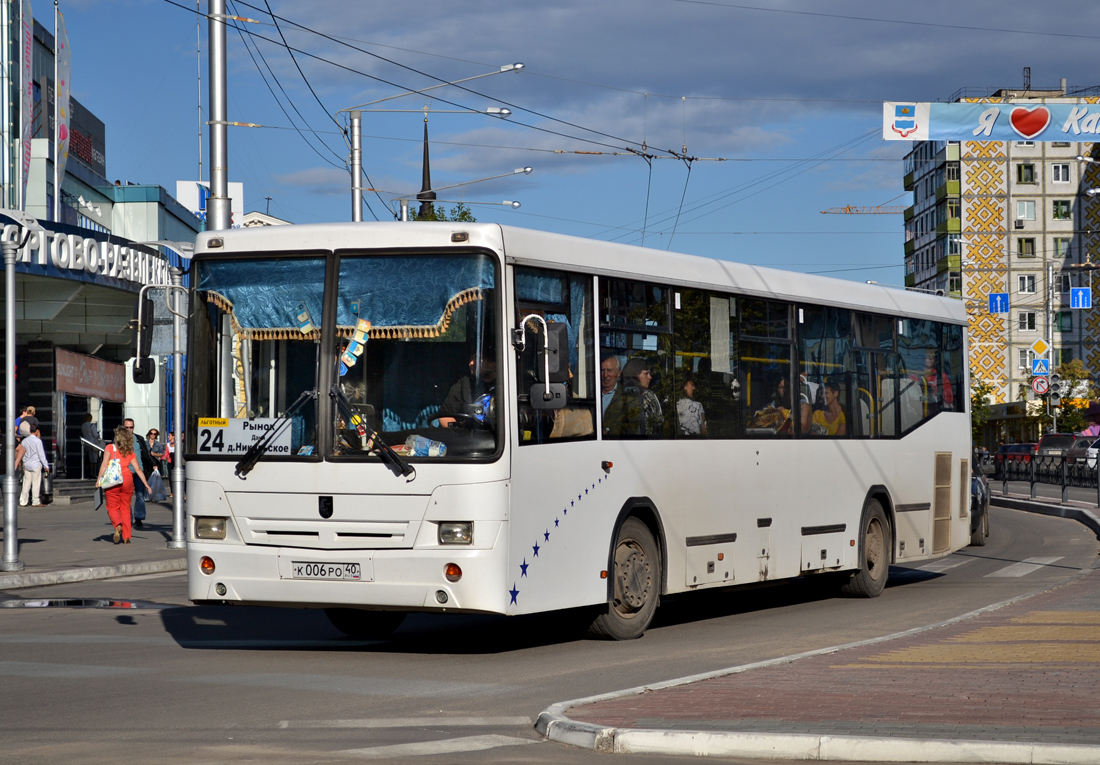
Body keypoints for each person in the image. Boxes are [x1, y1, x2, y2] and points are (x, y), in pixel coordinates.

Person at [96, 425, 152, 544]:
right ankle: (127, 536)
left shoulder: (110, 448)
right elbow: (137, 469)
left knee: (112, 507)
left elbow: (105, 464)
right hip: (127, 479)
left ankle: (118, 524)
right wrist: (146, 484)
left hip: (113, 480)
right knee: (126, 508)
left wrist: (99, 479)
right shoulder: (130, 451)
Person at [440, 356, 496, 426]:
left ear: (494, 364)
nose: (471, 363)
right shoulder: (464, 383)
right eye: (471, 358)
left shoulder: (509, 384)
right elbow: (444, 415)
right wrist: (458, 435)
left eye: (477, 358)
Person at [124, 419, 157, 529]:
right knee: (126, 497)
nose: (129, 430)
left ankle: (138, 518)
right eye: (127, 427)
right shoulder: (119, 439)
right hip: (125, 471)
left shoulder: (138, 439)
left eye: (131, 427)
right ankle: (127, 518)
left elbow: (146, 453)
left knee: (140, 495)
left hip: (139, 471)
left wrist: (153, 464)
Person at [622, 358, 663, 436]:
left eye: (649, 373)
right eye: (646, 373)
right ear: (634, 375)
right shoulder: (646, 396)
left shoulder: (648, 396)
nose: (650, 377)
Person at [14, 422, 48, 507]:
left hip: (27, 464)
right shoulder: (38, 441)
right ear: (36, 431)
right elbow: (41, 454)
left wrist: (23, 463)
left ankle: (23, 501)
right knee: (36, 483)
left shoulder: (24, 441)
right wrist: (46, 465)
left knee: (26, 483)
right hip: (36, 464)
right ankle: (35, 501)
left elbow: (22, 453)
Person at [677, 371, 707, 436]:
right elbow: (704, 431)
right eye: (692, 384)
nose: (694, 388)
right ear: (684, 386)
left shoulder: (672, 405)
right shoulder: (698, 406)